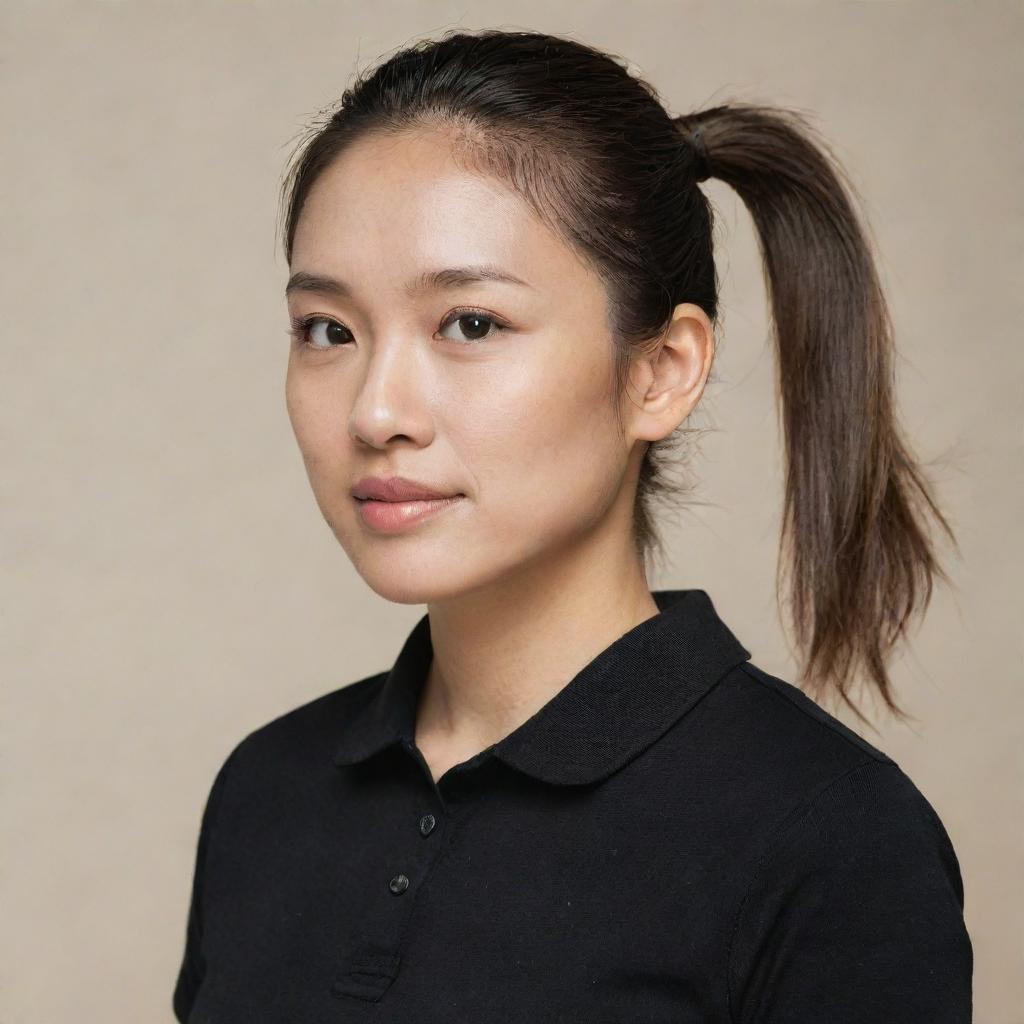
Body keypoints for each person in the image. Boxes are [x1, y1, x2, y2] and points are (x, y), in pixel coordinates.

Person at [172, 28, 973, 1023]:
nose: (376, 411)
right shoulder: (266, 792)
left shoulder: (827, 834)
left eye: (470, 323)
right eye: (327, 330)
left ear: (659, 370)